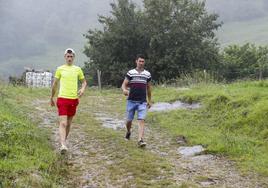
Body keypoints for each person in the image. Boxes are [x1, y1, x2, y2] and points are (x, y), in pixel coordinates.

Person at [50, 48, 87, 153]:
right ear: (65, 57)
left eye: (71, 56)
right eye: (68, 56)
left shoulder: (78, 69)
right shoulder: (60, 69)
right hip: (62, 99)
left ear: (73, 57)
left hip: (73, 100)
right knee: (63, 123)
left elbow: (84, 82)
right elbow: (55, 84)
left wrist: (83, 88)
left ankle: (64, 142)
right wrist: (51, 97)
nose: (69, 58)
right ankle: (62, 145)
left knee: (69, 123)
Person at [121, 54, 152, 147]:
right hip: (131, 100)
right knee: (129, 120)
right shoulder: (131, 73)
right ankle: (128, 131)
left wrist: (149, 100)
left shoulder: (147, 74)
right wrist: (124, 90)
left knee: (141, 120)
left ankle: (140, 140)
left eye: (143, 61)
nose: (141, 63)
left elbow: (149, 88)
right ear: (136, 61)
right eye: (140, 61)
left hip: (142, 101)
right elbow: (124, 84)